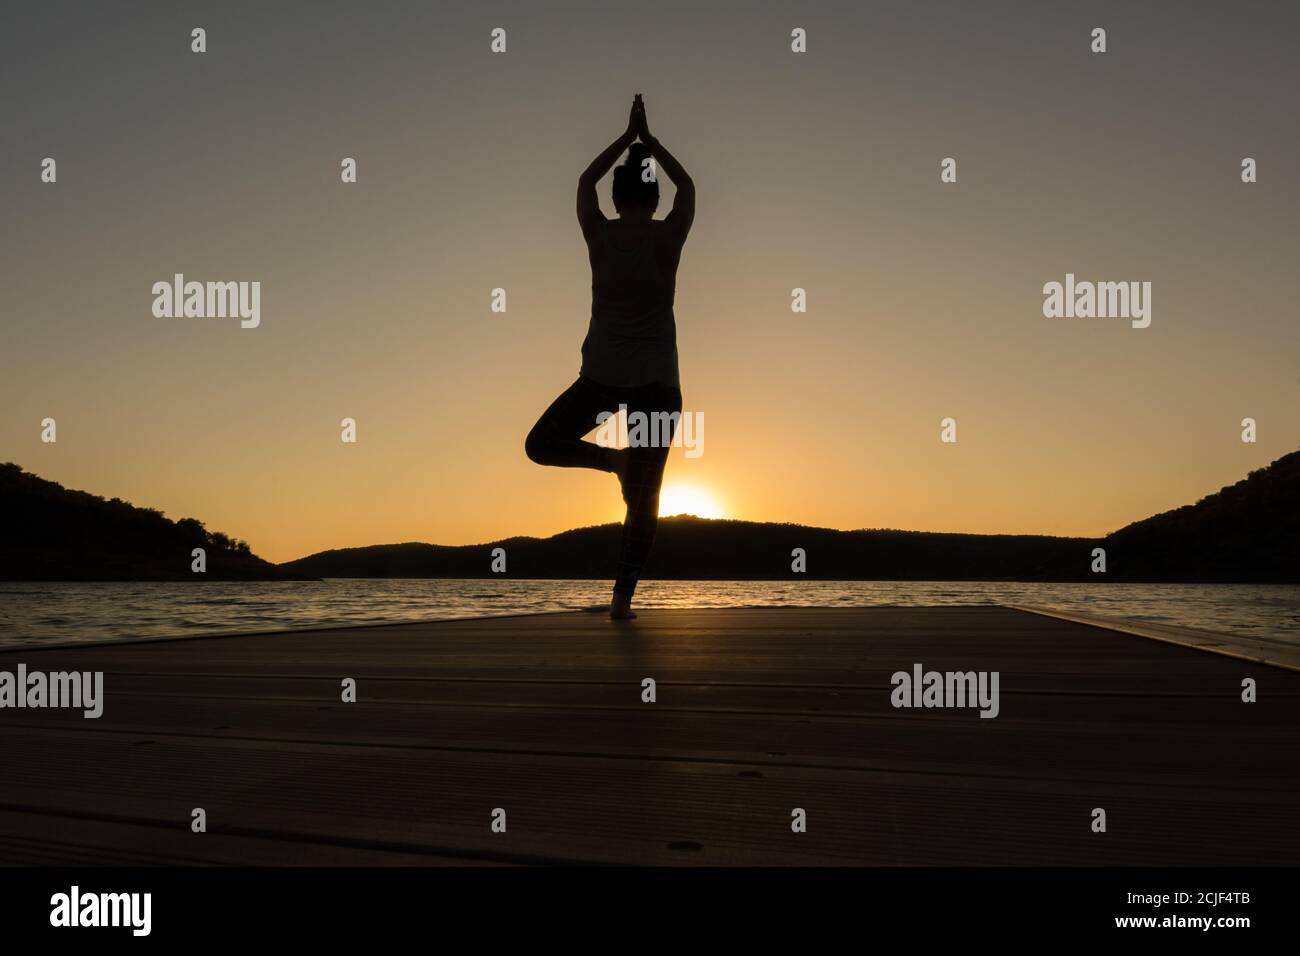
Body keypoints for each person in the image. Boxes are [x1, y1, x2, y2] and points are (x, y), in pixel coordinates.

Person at [525, 94, 695, 620]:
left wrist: (626, 137)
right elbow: (687, 188)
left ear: (619, 195)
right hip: (656, 387)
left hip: (601, 379)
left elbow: (583, 183)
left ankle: (613, 464)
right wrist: (652, 141)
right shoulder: (669, 236)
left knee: (541, 444)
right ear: (653, 194)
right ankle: (622, 601)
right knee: (645, 498)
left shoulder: (598, 234)